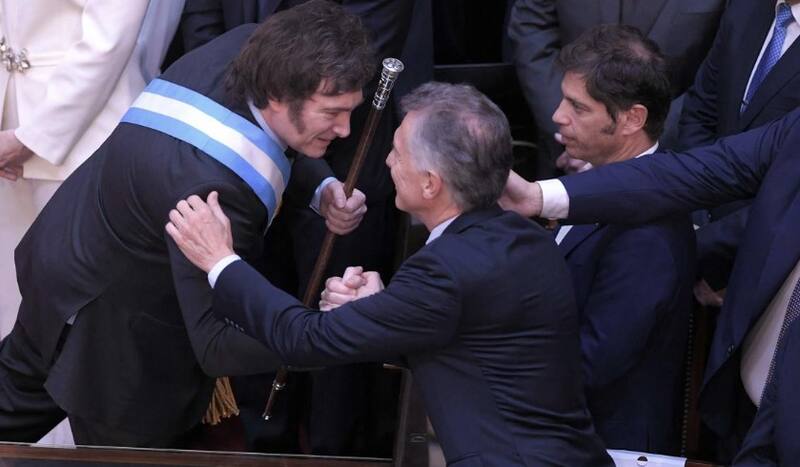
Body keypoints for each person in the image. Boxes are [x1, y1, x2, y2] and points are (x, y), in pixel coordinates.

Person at [166, 82, 614, 466]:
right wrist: (382, 309)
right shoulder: (525, 238)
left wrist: (221, 261)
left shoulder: (445, 271)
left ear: (430, 183)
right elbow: (478, 341)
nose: (386, 163)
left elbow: (302, 338)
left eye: (397, 153)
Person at [0, 0, 373, 448]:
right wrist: (325, 329)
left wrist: (322, 188)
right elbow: (215, 343)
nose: (347, 130)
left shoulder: (248, 46)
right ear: (279, 91)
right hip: (121, 359)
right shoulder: (214, 194)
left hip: (66, 265)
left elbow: (262, 139)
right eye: (332, 113)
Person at [499, 108, 800, 465]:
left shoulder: (647, 248)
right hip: (747, 410)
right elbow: (694, 171)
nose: (559, 114)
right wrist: (538, 196)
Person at [549, 25, 694, 454]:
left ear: (632, 118)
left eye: (578, 107)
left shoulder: (647, 235)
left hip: (605, 448)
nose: (558, 115)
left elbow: (591, 362)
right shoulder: (599, 182)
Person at [507, 0, 724, 177]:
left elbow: (723, 69)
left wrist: (638, 145)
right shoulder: (564, 117)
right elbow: (532, 27)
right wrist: (573, 123)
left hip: (665, 162)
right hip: (562, 160)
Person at [678, 0, 800, 301]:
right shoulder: (745, 8)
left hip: (767, 262)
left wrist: (712, 248)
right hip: (696, 223)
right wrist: (698, 217)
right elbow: (700, 111)